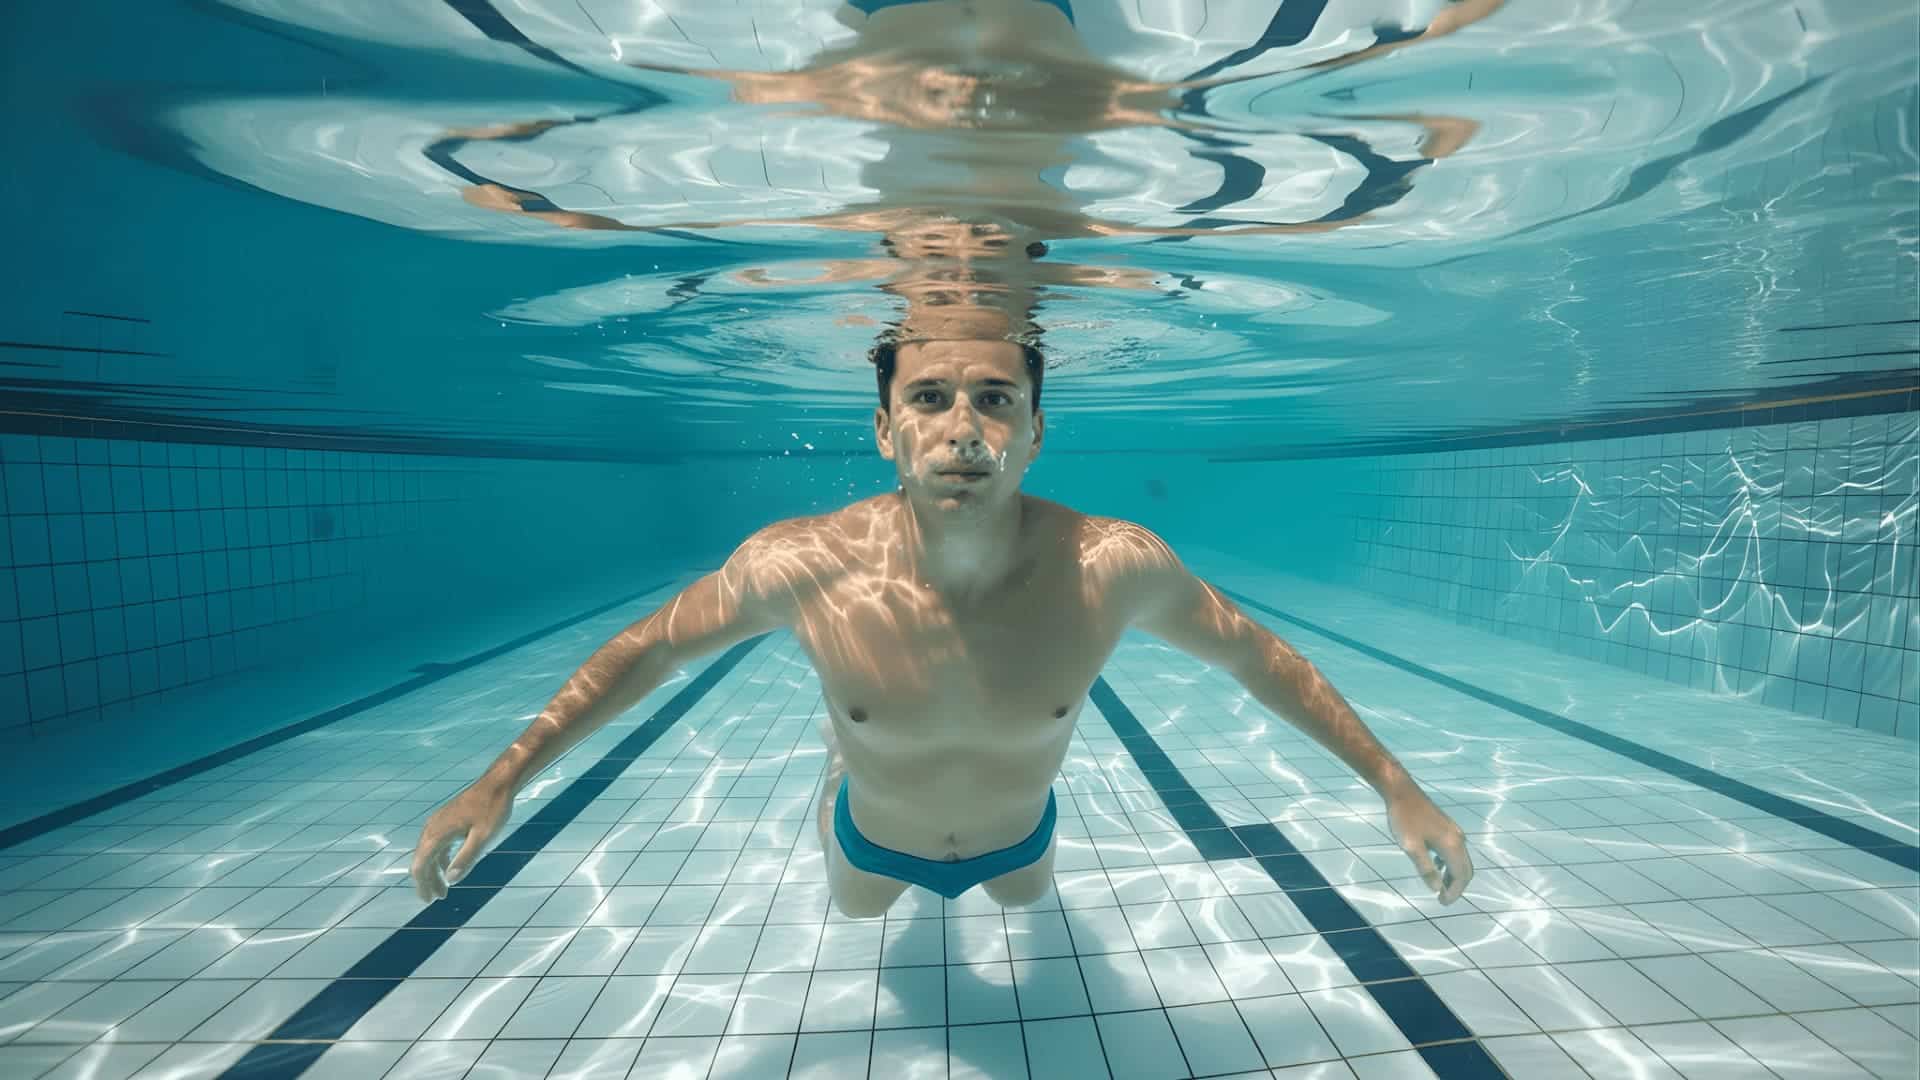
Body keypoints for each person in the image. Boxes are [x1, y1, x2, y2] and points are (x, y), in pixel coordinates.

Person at [410, 334, 1475, 913]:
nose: (963, 428)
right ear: (884, 429)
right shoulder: (804, 565)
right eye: (928, 399)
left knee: (1023, 907)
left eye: (995, 399)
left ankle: (854, 737)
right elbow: (647, 649)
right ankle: (839, 761)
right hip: (871, 840)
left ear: (1036, 431)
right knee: (864, 912)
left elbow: (1261, 661)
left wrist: (1399, 788)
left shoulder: (1112, 567)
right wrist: (504, 775)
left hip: (1022, 836)